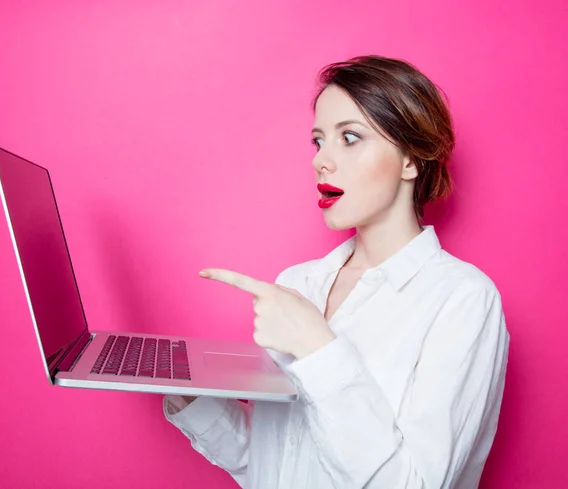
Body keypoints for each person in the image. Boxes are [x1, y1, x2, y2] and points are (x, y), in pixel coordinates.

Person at [162, 55, 510, 489]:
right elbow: (276, 467)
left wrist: (317, 346)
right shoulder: (298, 284)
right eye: (318, 141)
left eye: (349, 137)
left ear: (411, 159)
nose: (321, 161)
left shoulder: (462, 300)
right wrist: (192, 394)